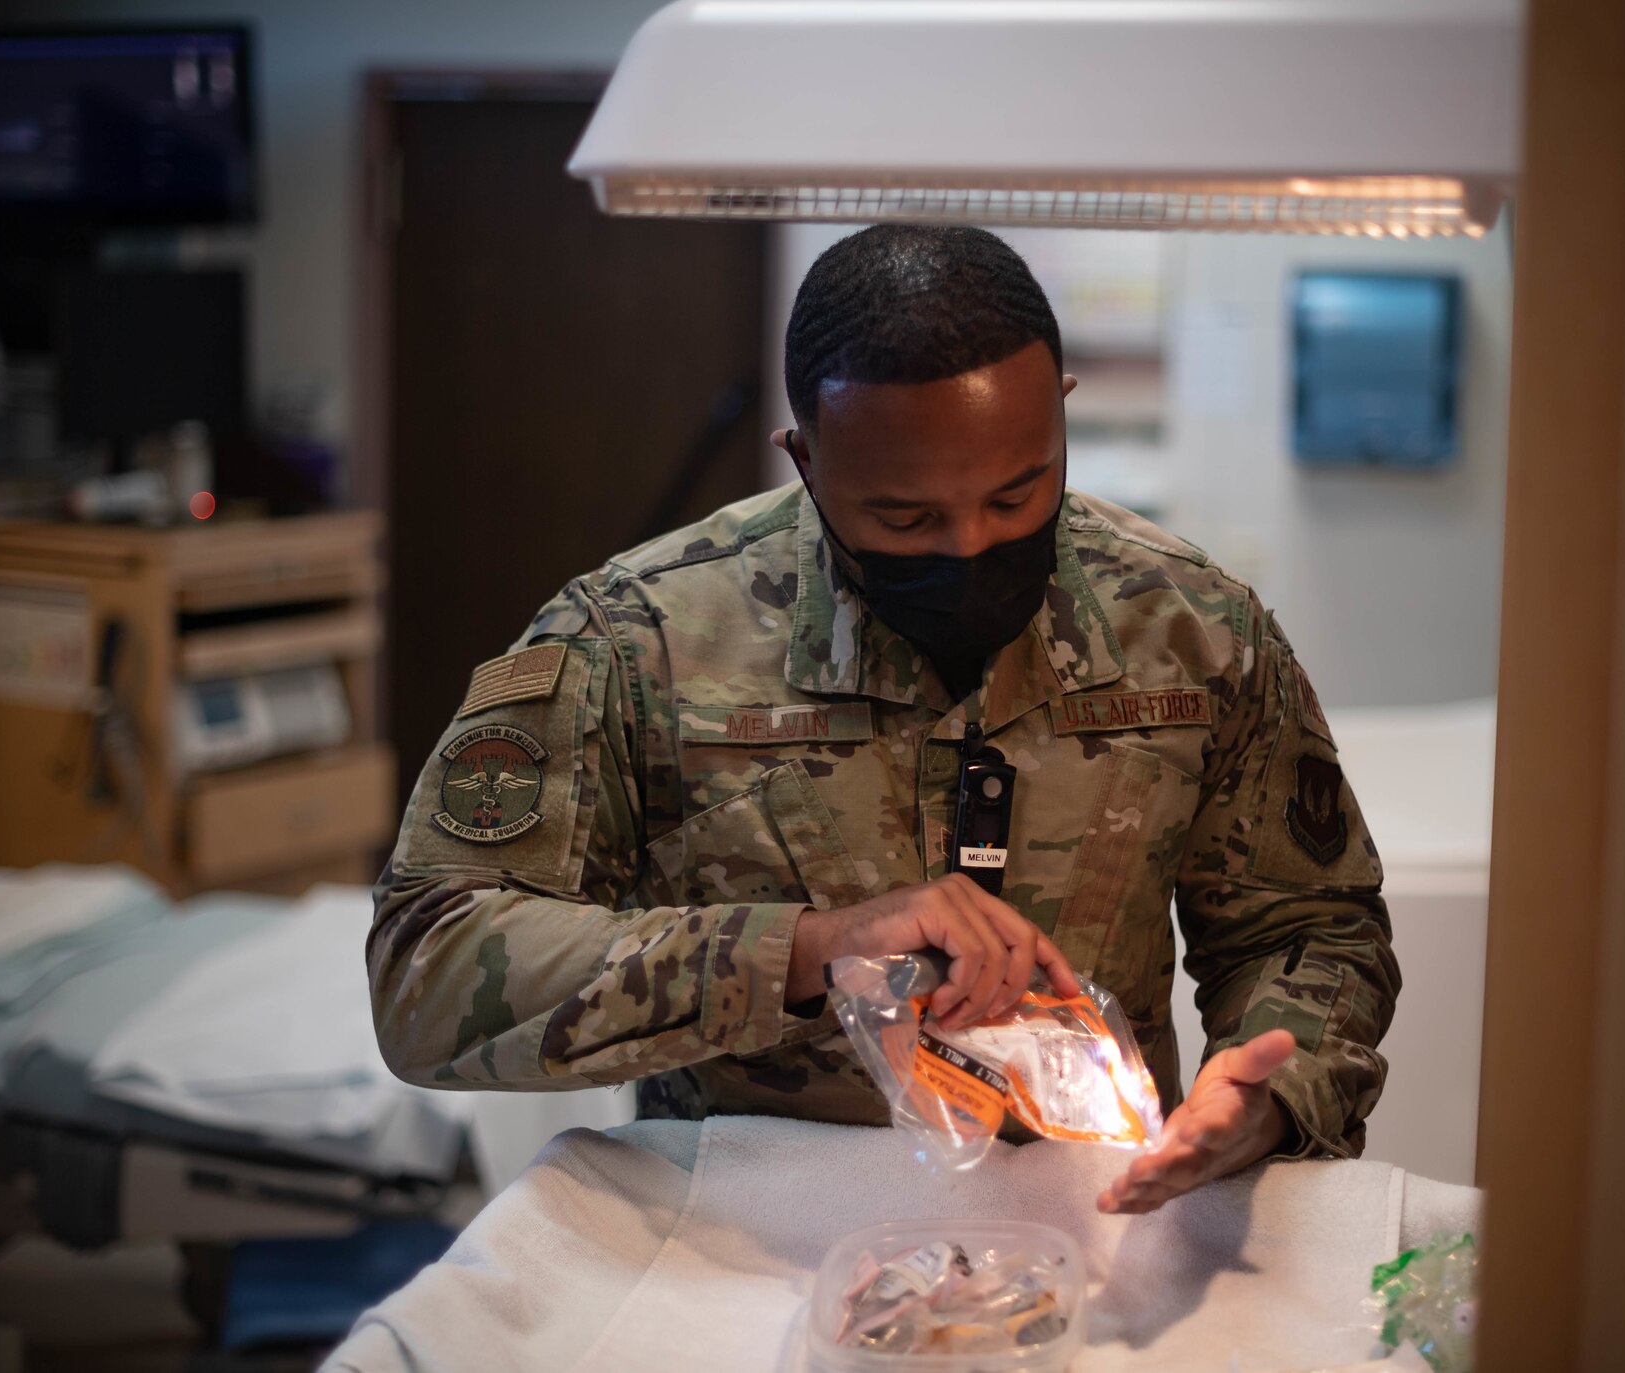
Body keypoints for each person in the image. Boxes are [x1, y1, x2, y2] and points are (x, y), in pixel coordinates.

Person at [369, 224, 1398, 1214]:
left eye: (1017, 492)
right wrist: (813, 949)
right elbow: (429, 967)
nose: (969, 544)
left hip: (1096, 1221)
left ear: (1062, 415)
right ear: (806, 462)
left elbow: (1310, 926)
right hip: (745, 1232)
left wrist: (1262, 1095)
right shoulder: (637, 637)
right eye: (904, 517)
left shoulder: (1190, 629)